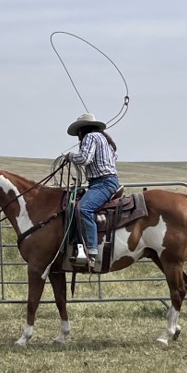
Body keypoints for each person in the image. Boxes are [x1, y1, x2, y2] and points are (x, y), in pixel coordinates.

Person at [65, 112, 120, 269]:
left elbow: (84, 158)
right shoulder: (105, 139)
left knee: (83, 209)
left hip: (103, 183)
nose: (77, 136)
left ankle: (91, 251)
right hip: (105, 181)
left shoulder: (90, 137)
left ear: (81, 130)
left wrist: (69, 156)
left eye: (77, 133)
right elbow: (113, 157)